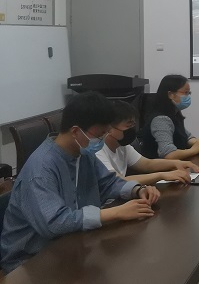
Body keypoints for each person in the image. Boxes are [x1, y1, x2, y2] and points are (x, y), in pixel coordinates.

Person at [0, 92, 160, 274]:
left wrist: (137, 190)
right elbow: (54, 223)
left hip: (71, 243)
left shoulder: (82, 154)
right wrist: (116, 212)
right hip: (29, 261)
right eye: (100, 135)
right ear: (76, 131)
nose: (102, 140)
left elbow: (107, 183)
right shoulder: (41, 169)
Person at [96, 101, 199, 185]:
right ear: (109, 128)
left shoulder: (123, 146)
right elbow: (117, 182)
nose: (132, 129)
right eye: (128, 125)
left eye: (133, 125)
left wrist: (177, 163)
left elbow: (147, 164)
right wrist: (161, 175)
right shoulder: (98, 151)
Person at [141, 75, 199, 160]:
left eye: (189, 93)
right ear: (171, 94)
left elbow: (185, 136)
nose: (188, 96)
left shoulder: (174, 113)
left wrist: (197, 143)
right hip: (160, 166)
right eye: (185, 93)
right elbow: (168, 154)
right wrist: (193, 150)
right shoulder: (161, 120)